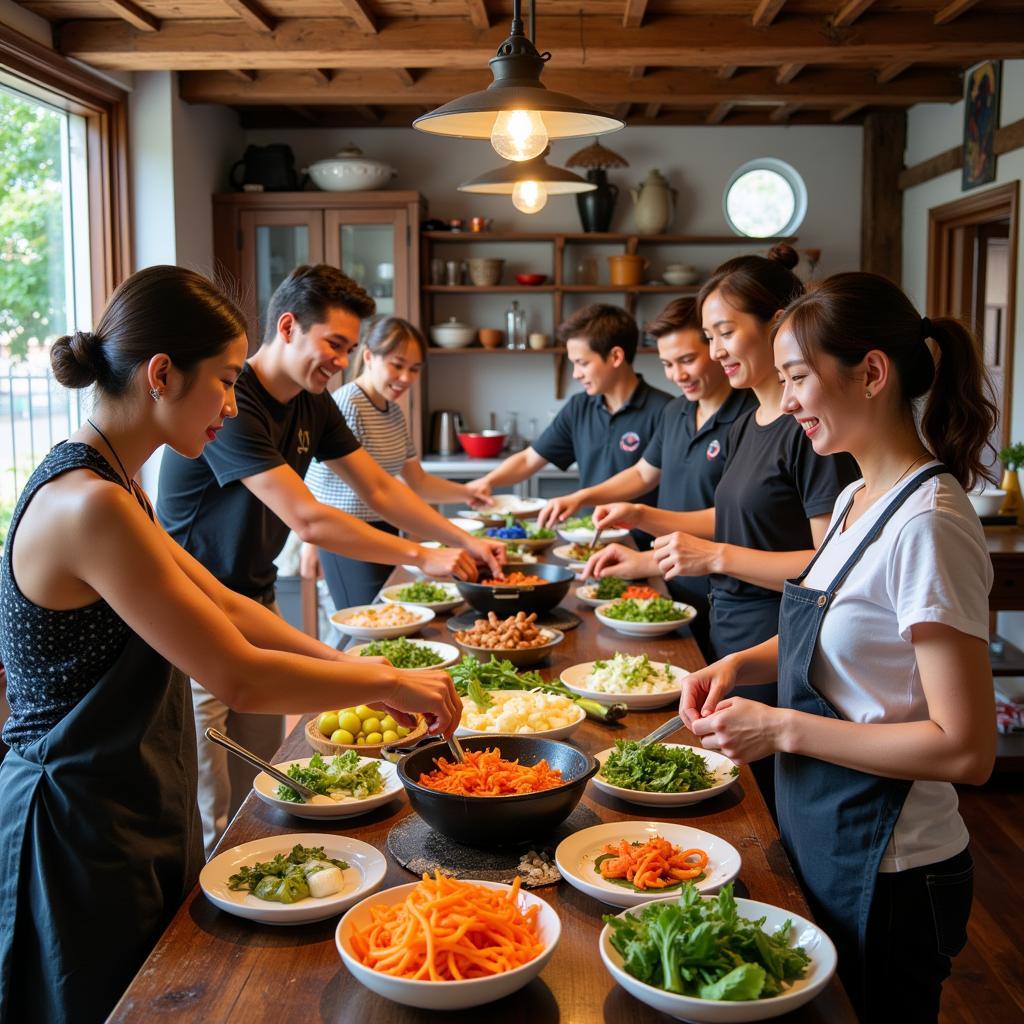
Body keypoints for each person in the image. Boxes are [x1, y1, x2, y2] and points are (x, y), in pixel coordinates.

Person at [0, 266, 461, 1024]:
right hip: (74, 822)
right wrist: (387, 682)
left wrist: (359, 669)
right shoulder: (87, 504)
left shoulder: (117, 486)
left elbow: (224, 603)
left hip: (126, 796)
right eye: (221, 379)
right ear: (160, 375)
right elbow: (237, 677)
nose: (230, 400)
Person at [680, 272, 997, 1023]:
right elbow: (825, 629)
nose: (785, 401)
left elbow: (966, 749)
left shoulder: (929, 523)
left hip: (895, 869)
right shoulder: (858, 497)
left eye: (797, 377)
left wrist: (781, 726)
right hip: (824, 833)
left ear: (873, 373)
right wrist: (740, 664)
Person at [156, 265, 502, 855]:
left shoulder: (313, 404)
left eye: (347, 348)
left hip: (255, 604)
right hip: (191, 615)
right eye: (334, 344)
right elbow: (308, 519)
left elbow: (384, 490)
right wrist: (423, 555)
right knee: (213, 800)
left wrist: (460, 542)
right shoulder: (236, 405)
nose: (341, 362)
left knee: (265, 779)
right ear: (288, 327)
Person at [585, 246, 858, 812]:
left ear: (778, 324)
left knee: (752, 815)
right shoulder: (749, 422)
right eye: (709, 337)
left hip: (775, 643)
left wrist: (714, 557)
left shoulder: (808, 432)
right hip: (729, 633)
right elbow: (734, 519)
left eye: (724, 332)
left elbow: (827, 568)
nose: (714, 353)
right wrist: (642, 518)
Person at [537, 299, 754, 657]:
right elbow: (643, 473)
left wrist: (641, 515)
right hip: (669, 577)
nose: (677, 375)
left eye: (687, 360)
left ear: (716, 350)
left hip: (725, 588)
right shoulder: (677, 411)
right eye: (668, 364)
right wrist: (584, 497)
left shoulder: (749, 416)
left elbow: (735, 517)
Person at [303, 317, 493, 608]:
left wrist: (468, 493)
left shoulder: (392, 412)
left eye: (414, 369)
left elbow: (418, 481)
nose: (406, 377)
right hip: (348, 537)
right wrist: (310, 546)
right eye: (397, 365)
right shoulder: (347, 405)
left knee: (390, 619)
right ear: (368, 356)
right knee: (368, 626)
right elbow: (321, 485)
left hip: (385, 531)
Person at [471, 304, 673, 537]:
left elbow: (644, 476)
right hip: (589, 539)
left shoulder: (666, 410)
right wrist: (487, 482)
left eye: (582, 363)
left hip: (647, 547)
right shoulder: (579, 407)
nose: (576, 374)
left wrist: (580, 498)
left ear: (616, 356)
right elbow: (529, 459)